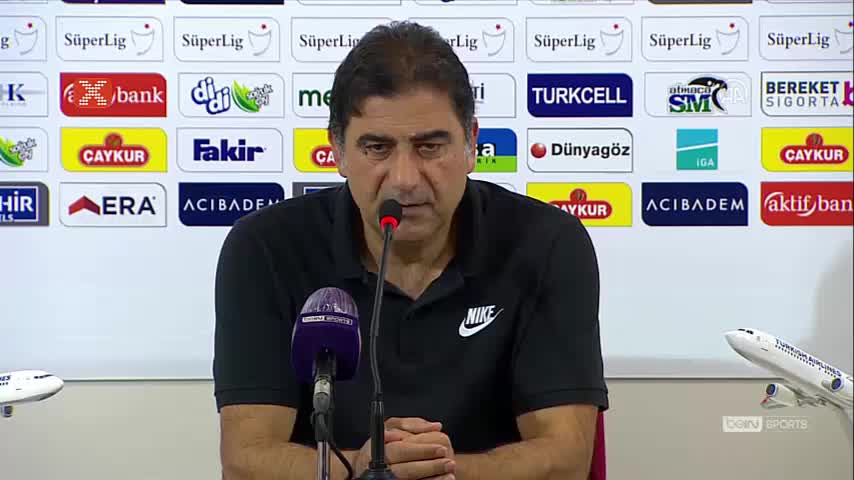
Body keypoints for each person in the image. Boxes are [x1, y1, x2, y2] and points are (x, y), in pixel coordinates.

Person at [213, 20, 608, 480]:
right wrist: (364, 468)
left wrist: (430, 470)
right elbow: (246, 460)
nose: (404, 179)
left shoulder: (547, 243)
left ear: (472, 144)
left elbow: (566, 460)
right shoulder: (265, 248)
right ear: (337, 151)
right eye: (377, 148)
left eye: (430, 146)